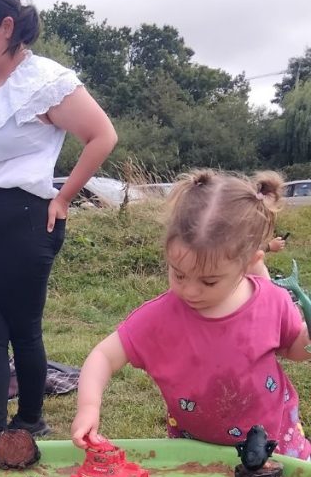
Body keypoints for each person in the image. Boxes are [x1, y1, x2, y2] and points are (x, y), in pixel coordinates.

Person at [0, 0, 117, 441]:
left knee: (22, 329)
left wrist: (63, 198)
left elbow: (102, 135)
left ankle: (30, 420)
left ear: (7, 27)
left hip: (23, 221)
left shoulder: (45, 80)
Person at [72, 170, 311, 459]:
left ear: (249, 262)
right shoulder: (160, 317)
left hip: (274, 444)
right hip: (195, 450)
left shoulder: (271, 299)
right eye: (179, 274)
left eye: (209, 281)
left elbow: (294, 349)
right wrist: (88, 408)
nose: (191, 291)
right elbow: (104, 356)